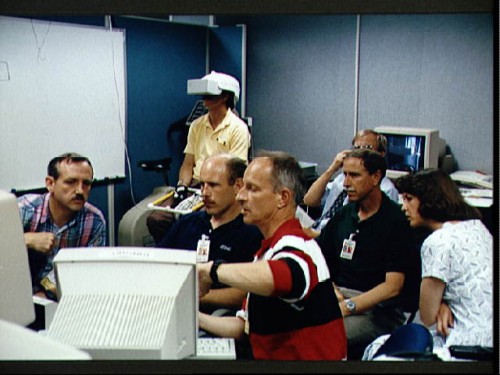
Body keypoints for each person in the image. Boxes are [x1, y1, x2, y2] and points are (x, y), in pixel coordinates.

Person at [197, 150, 347, 360]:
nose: (240, 196)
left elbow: (282, 277)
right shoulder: (268, 251)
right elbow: (243, 327)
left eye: (252, 189)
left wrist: (212, 270)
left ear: (282, 198)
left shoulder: (300, 246)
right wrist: (193, 318)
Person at [315, 148, 417, 360]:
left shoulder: (396, 221)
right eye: (344, 174)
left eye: (354, 175)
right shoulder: (345, 214)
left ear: (376, 177)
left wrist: (347, 307)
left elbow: (392, 287)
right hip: (339, 296)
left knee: (318, 336)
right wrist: (332, 290)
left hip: (378, 309)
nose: (345, 183)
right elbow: (319, 259)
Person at [147, 71, 251, 243]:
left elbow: (236, 173)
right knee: (156, 219)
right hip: (194, 184)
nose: (205, 98)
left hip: (220, 187)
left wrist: (211, 190)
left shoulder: (238, 129)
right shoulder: (197, 125)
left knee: (196, 221)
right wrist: (181, 186)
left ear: (225, 96)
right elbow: (188, 164)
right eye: (203, 95)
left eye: (209, 94)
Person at [395, 169, 492, 352]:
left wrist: (438, 304)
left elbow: (428, 317)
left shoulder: (437, 242)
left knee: (383, 349)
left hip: (466, 345)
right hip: (489, 340)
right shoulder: (477, 227)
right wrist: (443, 303)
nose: (403, 206)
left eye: (408, 199)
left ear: (429, 199)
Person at [157, 153, 262, 314]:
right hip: (170, 310)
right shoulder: (188, 223)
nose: (205, 193)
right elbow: (159, 263)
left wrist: (191, 296)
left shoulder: (252, 232)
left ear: (238, 186)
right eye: (202, 185)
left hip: (216, 318)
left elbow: (243, 293)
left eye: (213, 185)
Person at [17, 152, 106, 301]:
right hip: (16, 298)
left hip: (64, 298)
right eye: (71, 182)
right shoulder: (24, 209)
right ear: (50, 184)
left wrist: (45, 296)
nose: (80, 190)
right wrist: (25, 240)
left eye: (86, 184)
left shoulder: (94, 221)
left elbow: (88, 272)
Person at [302, 129, 399, 236]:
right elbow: (309, 201)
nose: (361, 152)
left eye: (367, 148)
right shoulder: (342, 178)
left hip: (332, 236)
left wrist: (315, 235)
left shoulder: (385, 189)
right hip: (318, 224)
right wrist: (332, 169)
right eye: (357, 148)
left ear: (381, 154)